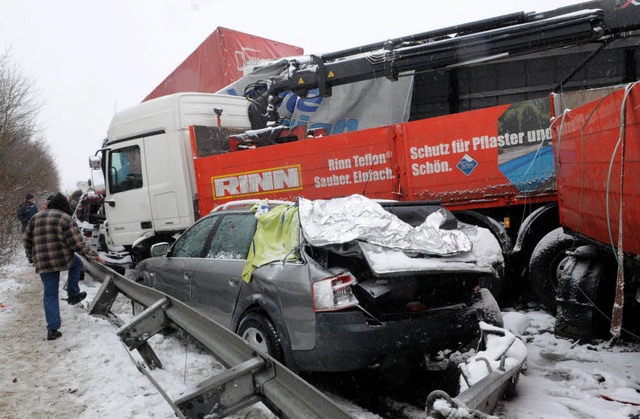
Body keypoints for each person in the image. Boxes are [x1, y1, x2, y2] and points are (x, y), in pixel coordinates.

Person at [23, 192, 105, 341]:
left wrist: (31, 258)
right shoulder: (65, 218)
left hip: (42, 261)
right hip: (62, 258)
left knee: (50, 294)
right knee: (77, 263)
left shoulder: (34, 218)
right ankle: (73, 294)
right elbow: (77, 243)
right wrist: (94, 256)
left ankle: (52, 330)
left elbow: (27, 241)